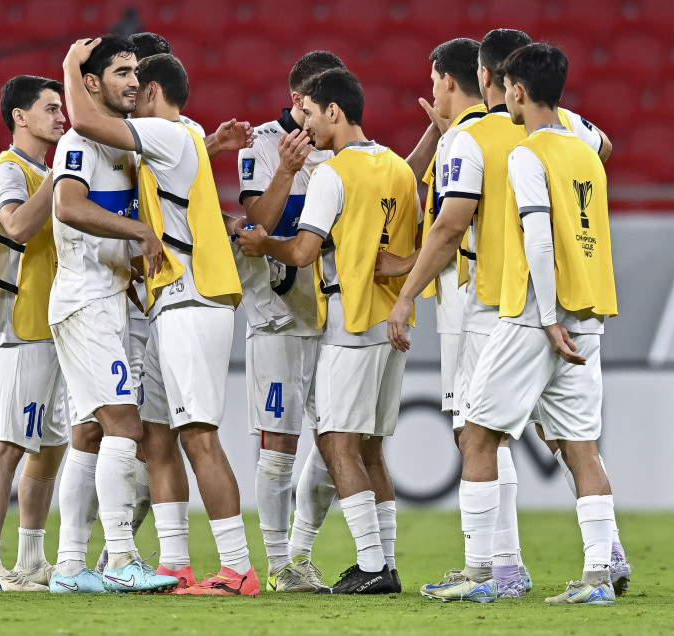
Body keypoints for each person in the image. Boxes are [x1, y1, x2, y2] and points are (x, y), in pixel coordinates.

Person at [63, 41, 259, 596]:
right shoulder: (184, 137)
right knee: (155, 435)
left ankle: (238, 568)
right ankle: (174, 562)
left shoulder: (169, 135)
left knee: (198, 433)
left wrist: (71, 70)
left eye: (133, 82)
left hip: (195, 299)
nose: (127, 92)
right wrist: (216, 143)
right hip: (169, 299)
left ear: (152, 91)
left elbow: (85, 120)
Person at [446, 42, 620, 605]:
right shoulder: (587, 152)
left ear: (515, 90)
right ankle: (599, 575)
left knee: (477, 434)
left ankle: (480, 571)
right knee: (581, 448)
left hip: (534, 317)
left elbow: (539, 239)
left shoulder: (527, 154)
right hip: (588, 313)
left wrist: (545, 320)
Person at [237, 67, 418, 595]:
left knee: (336, 440)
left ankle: (370, 564)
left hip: (347, 319)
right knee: (370, 447)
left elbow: (301, 251)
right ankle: (386, 560)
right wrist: (399, 272)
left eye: (311, 114)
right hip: (390, 323)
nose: (306, 126)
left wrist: (261, 246)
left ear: (333, 112)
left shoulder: (332, 175)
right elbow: (424, 243)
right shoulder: (399, 169)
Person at [46, 35, 178, 595]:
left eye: (135, 71)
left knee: (89, 433)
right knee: (125, 423)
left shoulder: (121, 145)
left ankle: (70, 566)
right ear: (92, 83)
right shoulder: (79, 140)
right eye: (120, 71)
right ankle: (121, 555)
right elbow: (68, 205)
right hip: (85, 301)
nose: (132, 81)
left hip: (105, 300)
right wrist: (139, 232)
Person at [234, 50, 346, 593]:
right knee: (278, 446)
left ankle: (299, 554)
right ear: (297, 98)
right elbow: (256, 223)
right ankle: (279, 563)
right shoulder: (258, 143)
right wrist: (287, 168)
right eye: (317, 101)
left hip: (330, 318)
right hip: (276, 317)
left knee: (336, 443)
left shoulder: (342, 147)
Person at [0, 75, 69, 593]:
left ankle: (30, 560)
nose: (61, 117)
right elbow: (16, 227)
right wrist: (58, 179)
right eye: (50, 108)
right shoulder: (10, 171)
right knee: (5, 446)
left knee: (49, 447)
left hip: (51, 325)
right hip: (16, 327)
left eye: (62, 108)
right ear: (19, 117)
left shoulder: (44, 171)